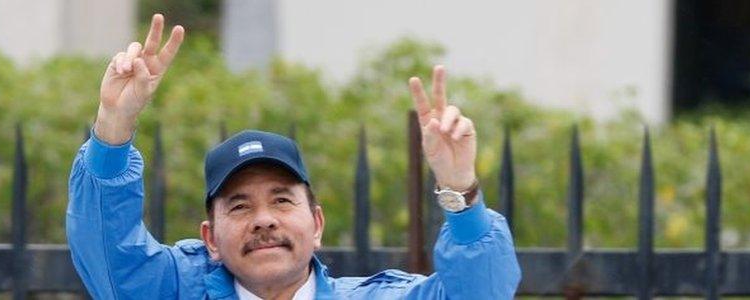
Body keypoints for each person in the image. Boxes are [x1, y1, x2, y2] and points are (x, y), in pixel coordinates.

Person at [66, 14, 521, 299]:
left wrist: (460, 187)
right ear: (210, 238)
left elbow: (483, 291)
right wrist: (112, 125)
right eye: (239, 205)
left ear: (317, 224)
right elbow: (108, 252)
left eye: (282, 200)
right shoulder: (172, 291)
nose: (263, 219)